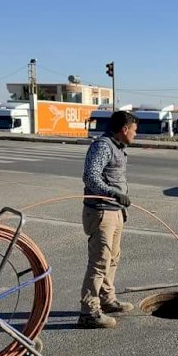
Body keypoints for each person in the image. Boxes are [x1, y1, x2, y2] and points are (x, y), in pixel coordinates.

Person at [78, 110, 138, 329]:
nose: (135, 135)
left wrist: (120, 206)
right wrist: (113, 193)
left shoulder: (118, 149)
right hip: (101, 212)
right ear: (124, 130)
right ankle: (89, 312)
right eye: (134, 131)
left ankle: (107, 300)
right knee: (99, 262)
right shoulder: (103, 146)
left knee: (112, 259)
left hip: (114, 211)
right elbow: (90, 177)